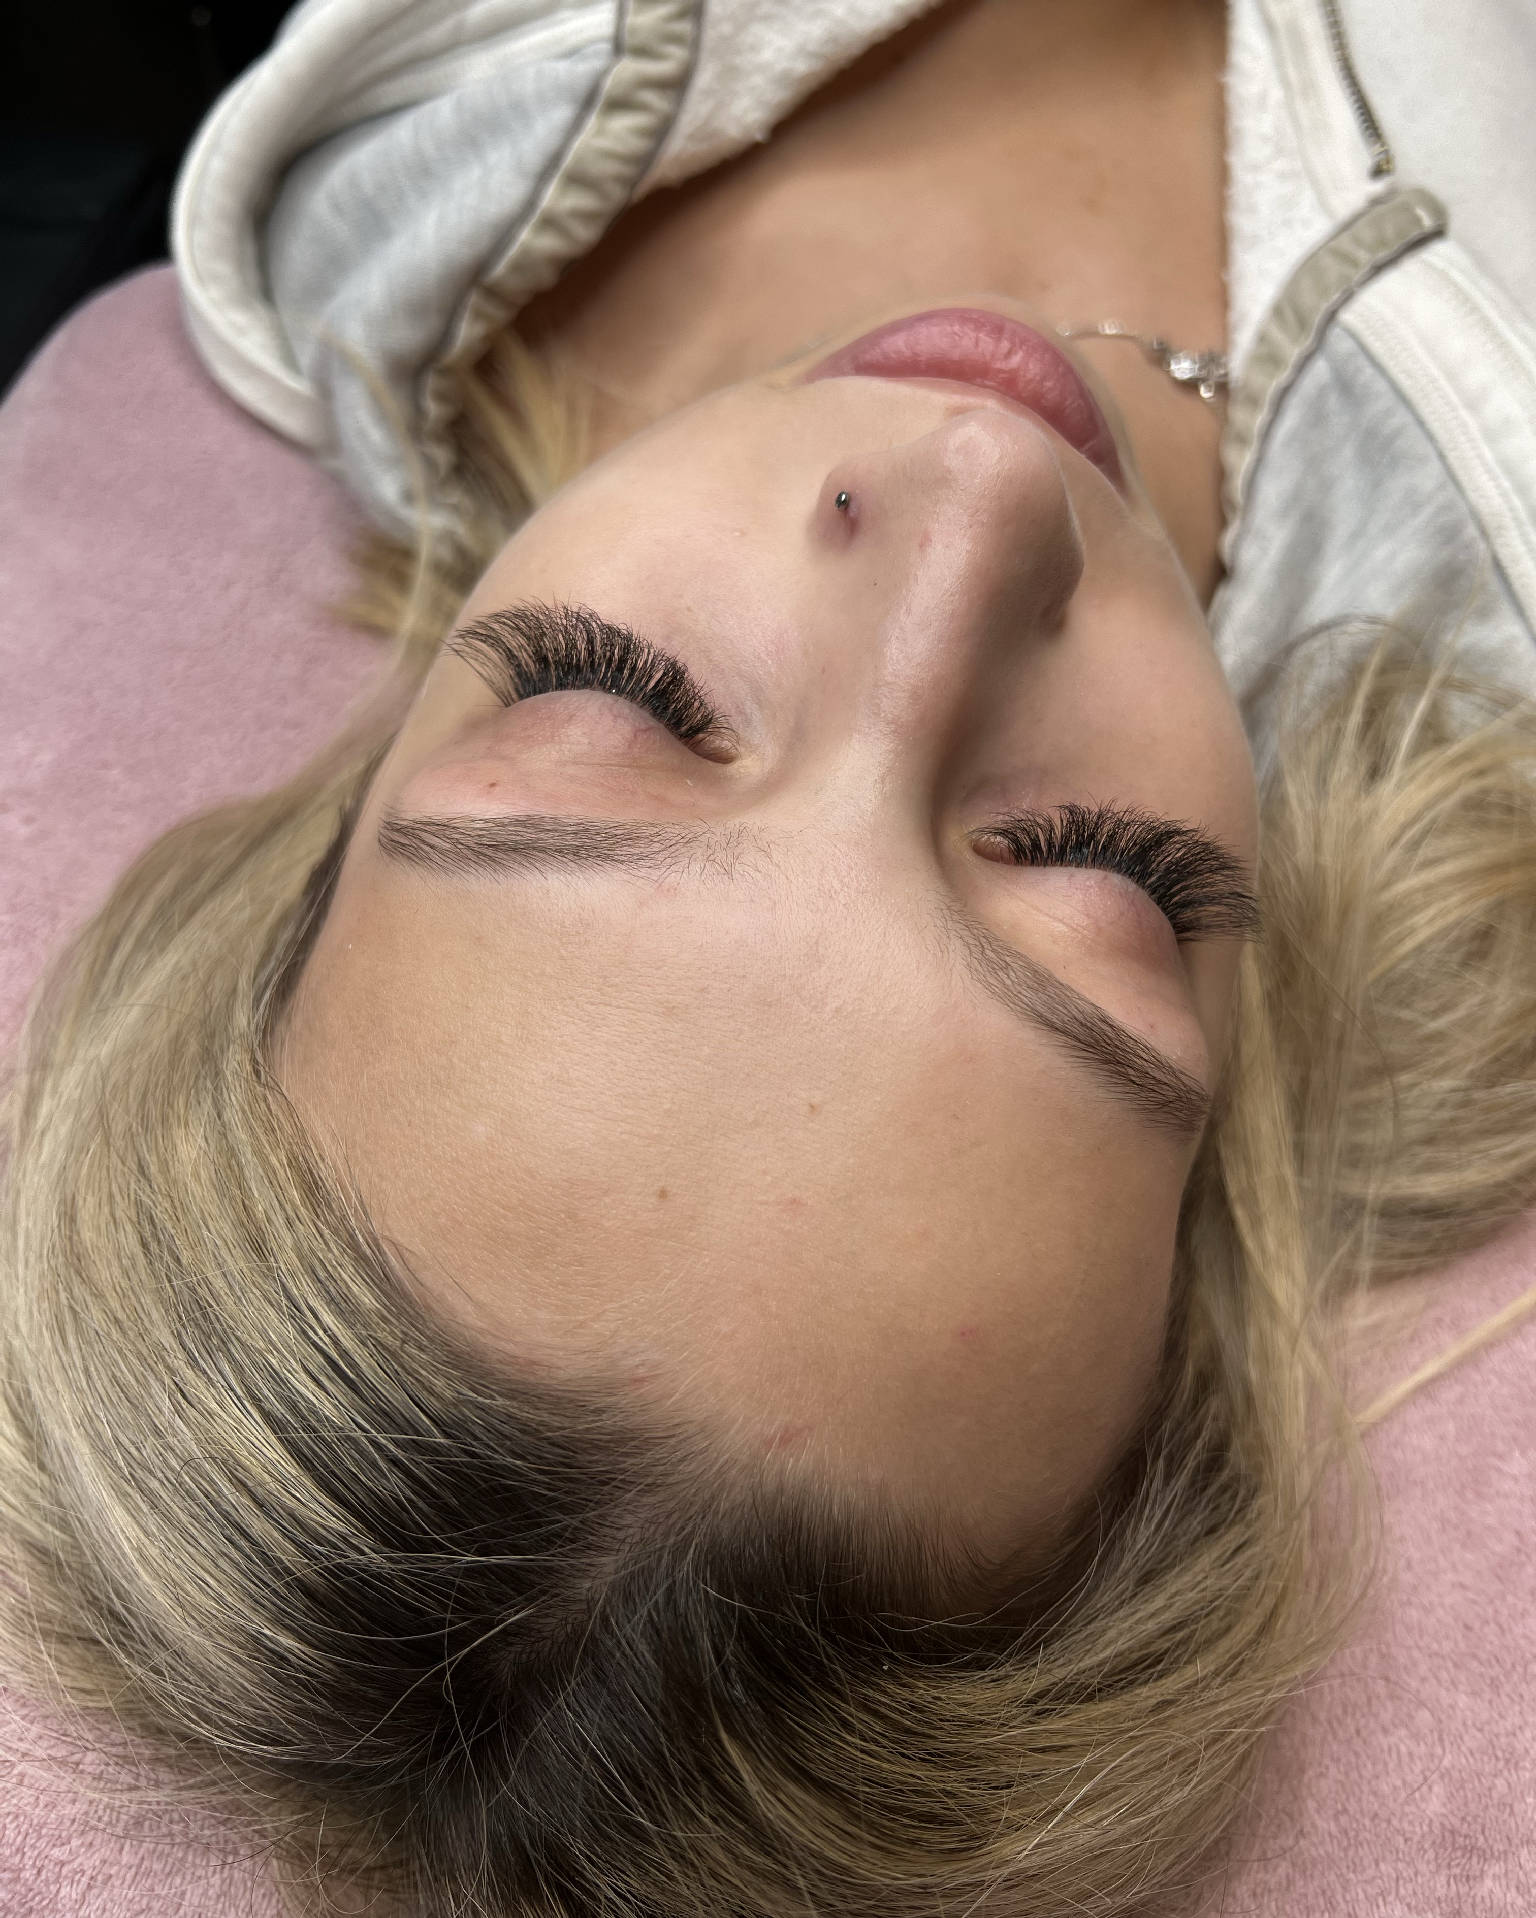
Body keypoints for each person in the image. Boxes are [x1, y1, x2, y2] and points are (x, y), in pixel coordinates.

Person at [3, 2, 1536, 1914]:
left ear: (309, 842)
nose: (979, 493)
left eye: (621, 700)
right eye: (1098, 879)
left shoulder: (378, 166)